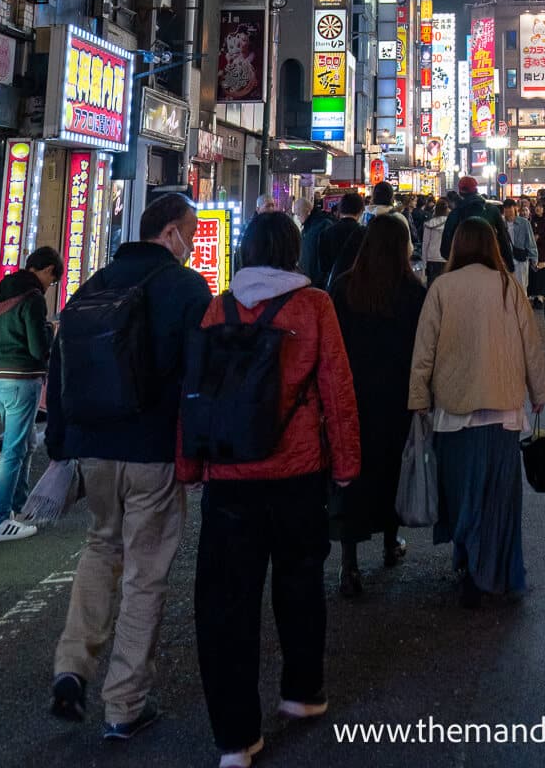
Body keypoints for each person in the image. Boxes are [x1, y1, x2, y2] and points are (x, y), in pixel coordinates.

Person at [179, 210, 360, 768]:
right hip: (297, 473)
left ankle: (236, 739)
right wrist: (346, 464)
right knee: (300, 582)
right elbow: (337, 390)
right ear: (293, 252)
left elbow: (196, 392)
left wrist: (189, 465)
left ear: (247, 251)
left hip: (230, 478)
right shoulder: (315, 305)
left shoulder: (220, 307)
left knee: (226, 604)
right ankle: (302, 691)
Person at [47, 193, 212, 736]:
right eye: (190, 232)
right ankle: (124, 702)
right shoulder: (187, 289)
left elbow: (61, 361)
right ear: (169, 233)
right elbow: (200, 375)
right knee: (145, 573)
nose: (193, 243)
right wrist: (200, 449)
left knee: (100, 548)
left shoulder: (95, 282)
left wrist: (62, 440)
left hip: (95, 446)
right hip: (152, 450)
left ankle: (71, 667)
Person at [408, 219, 545, 605]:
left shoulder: (442, 287)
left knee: (462, 492)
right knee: (498, 498)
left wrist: (418, 398)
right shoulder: (508, 285)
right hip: (503, 408)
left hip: (454, 410)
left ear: (456, 246)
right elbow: (530, 344)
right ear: (492, 246)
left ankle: (469, 561)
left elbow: (424, 349)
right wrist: (538, 391)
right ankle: (496, 570)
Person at [330, 214, 426, 598]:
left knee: (351, 475)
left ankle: (349, 563)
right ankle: (390, 542)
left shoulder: (344, 287)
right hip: (396, 396)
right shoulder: (413, 292)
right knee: (391, 469)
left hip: (352, 396)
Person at [0, 244, 62, 544]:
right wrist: (50, 330)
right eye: (52, 279)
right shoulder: (32, 298)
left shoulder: (1, 289)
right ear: (46, 270)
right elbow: (37, 347)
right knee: (13, 451)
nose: (49, 285)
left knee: (26, 443)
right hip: (21, 380)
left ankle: (20, 506)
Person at [441, 175, 513, 269]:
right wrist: (509, 265)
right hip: (490, 263)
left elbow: (445, 247)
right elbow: (503, 238)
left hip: (463, 265)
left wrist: (455, 261)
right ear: (476, 189)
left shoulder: (455, 213)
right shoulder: (492, 210)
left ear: (460, 191)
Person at [316, 191, 366, 288]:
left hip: (333, 285)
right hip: (358, 285)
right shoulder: (365, 233)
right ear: (361, 211)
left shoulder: (326, 233)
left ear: (340, 210)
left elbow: (323, 267)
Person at [502, 199, 537, 291]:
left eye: (509, 207)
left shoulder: (524, 223)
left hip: (520, 260)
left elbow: (530, 241)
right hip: (505, 260)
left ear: (515, 208)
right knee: (507, 288)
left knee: (521, 288)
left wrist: (534, 258)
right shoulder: (501, 223)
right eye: (505, 208)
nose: (507, 210)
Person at [299, 197, 334, 284]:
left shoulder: (322, 224)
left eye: (298, 214)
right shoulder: (308, 227)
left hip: (318, 279)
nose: (298, 217)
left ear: (307, 211)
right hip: (309, 277)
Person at [421, 195, 452, 284]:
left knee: (432, 286)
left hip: (432, 258)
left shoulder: (429, 223)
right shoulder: (450, 222)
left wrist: (424, 264)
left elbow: (425, 244)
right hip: (446, 259)